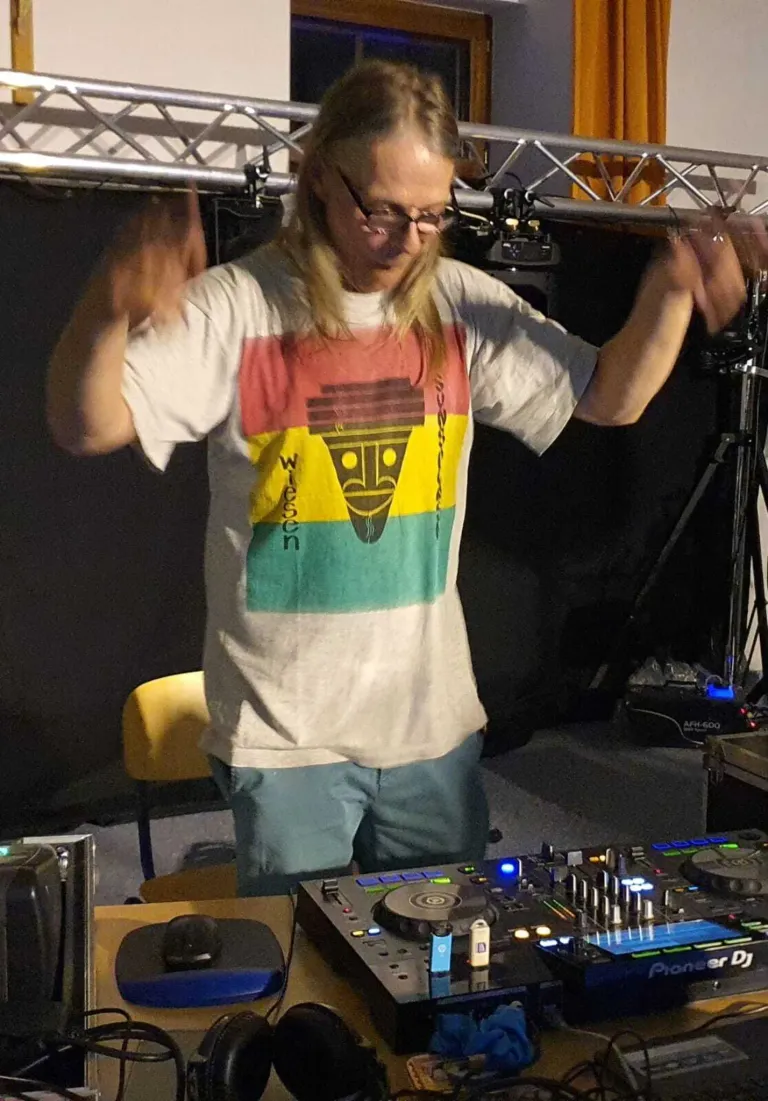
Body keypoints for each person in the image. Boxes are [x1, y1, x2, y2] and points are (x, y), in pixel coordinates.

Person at [47, 61, 758, 896]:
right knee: (303, 980)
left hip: (429, 725)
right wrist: (107, 302)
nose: (408, 240)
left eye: (431, 214)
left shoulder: (456, 304)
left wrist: (669, 292)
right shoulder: (239, 307)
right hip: (288, 739)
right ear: (318, 178)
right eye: (381, 210)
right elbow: (85, 421)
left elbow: (611, 394)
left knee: (440, 974)